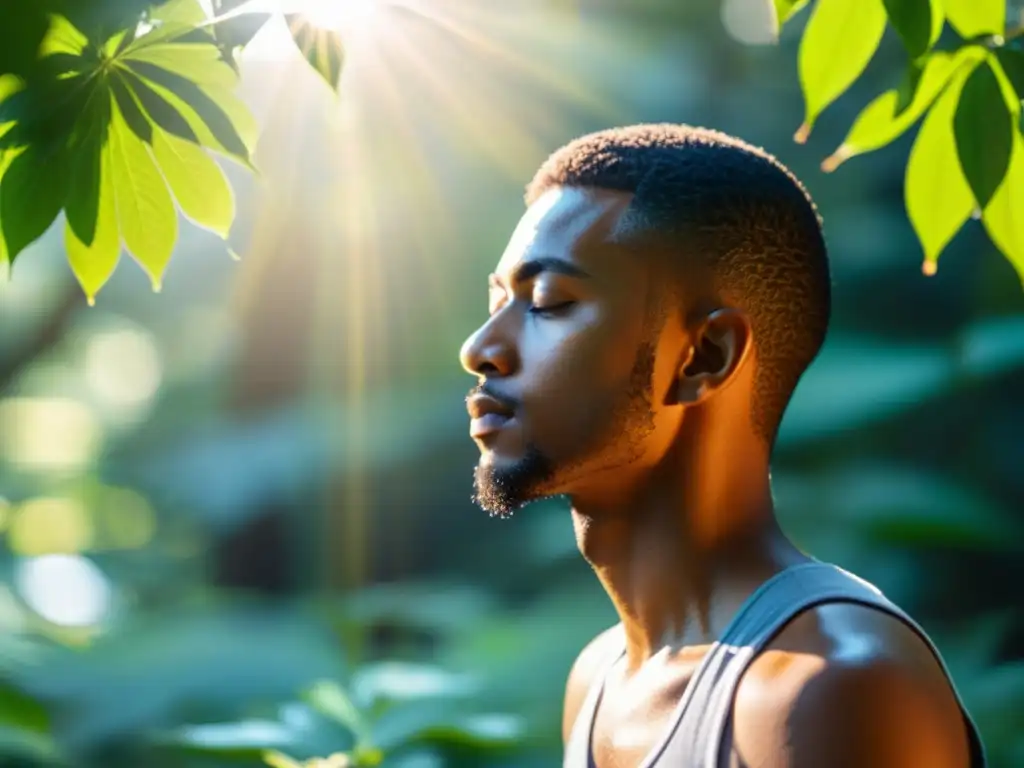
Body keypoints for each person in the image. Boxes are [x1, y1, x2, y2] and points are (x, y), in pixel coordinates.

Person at [458, 124, 985, 768]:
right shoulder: (597, 680)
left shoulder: (834, 686)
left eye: (546, 301)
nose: (480, 348)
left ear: (703, 356)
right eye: (497, 300)